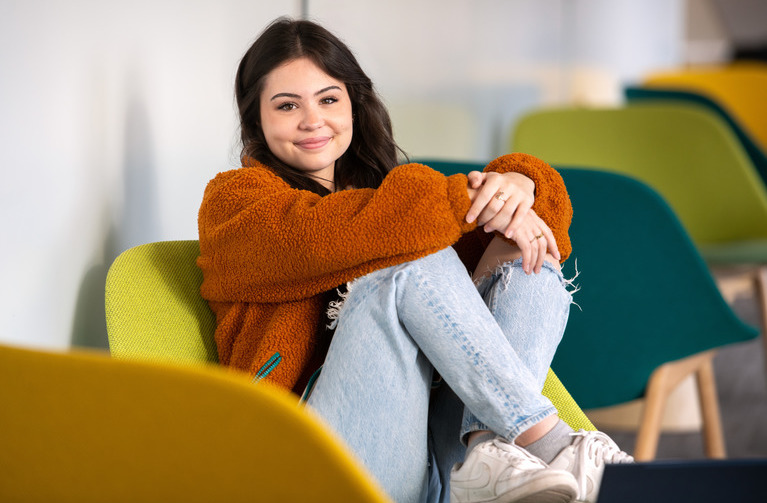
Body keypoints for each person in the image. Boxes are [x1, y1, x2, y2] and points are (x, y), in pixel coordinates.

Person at [197, 17, 632, 503]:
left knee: (527, 261)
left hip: (432, 459)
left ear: (354, 106)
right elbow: (324, 234)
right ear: (255, 118)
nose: (312, 120)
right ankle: (548, 445)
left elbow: (537, 230)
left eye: (328, 99)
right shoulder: (235, 203)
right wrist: (470, 198)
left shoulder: (384, 198)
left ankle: (490, 453)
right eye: (286, 105)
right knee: (409, 260)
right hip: (315, 464)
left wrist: (522, 188)